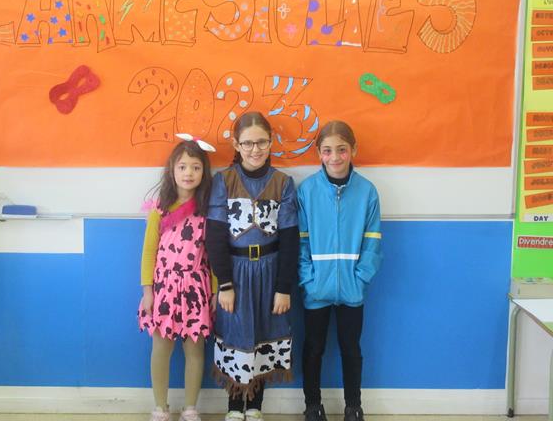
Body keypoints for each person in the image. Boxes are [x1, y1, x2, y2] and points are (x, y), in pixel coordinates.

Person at [206, 112, 299, 421]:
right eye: (248, 143)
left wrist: (283, 288)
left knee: (264, 331)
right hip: (235, 272)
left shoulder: (283, 183)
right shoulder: (224, 181)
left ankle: (256, 405)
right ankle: (235, 407)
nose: (255, 149)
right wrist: (225, 284)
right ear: (236, 144)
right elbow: (215, 237)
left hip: (271, 272)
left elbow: (290, 240)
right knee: (236, 332)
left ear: (271, 143)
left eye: (261, 142)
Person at [297, 120, 382, 421]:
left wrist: (360, 279)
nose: (335, 157)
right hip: (316, 289)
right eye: (328, 150)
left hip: (352, 288)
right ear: (319, 153)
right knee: (313, 348)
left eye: (342, 150)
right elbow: (301, 242)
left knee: (351, 348)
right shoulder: (307, 191)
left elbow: (372, 241)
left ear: (353, 150)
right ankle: (312, 406)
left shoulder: (367, 191)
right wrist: (308, 280)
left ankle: (353, 406)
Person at [138, 137, 217, 421]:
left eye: (195, 167)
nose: (188, 173)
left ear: (203, 172)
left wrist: (215, 291)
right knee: (161, 347)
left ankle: (190, 407)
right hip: (164, 289)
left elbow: (214, 254)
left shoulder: (208, 210)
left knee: (195, 350)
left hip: (197, 289)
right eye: (182, 166)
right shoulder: (159, 209)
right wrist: (148, 291)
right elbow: (148, 252)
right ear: (172, 170)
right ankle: (160, 407)